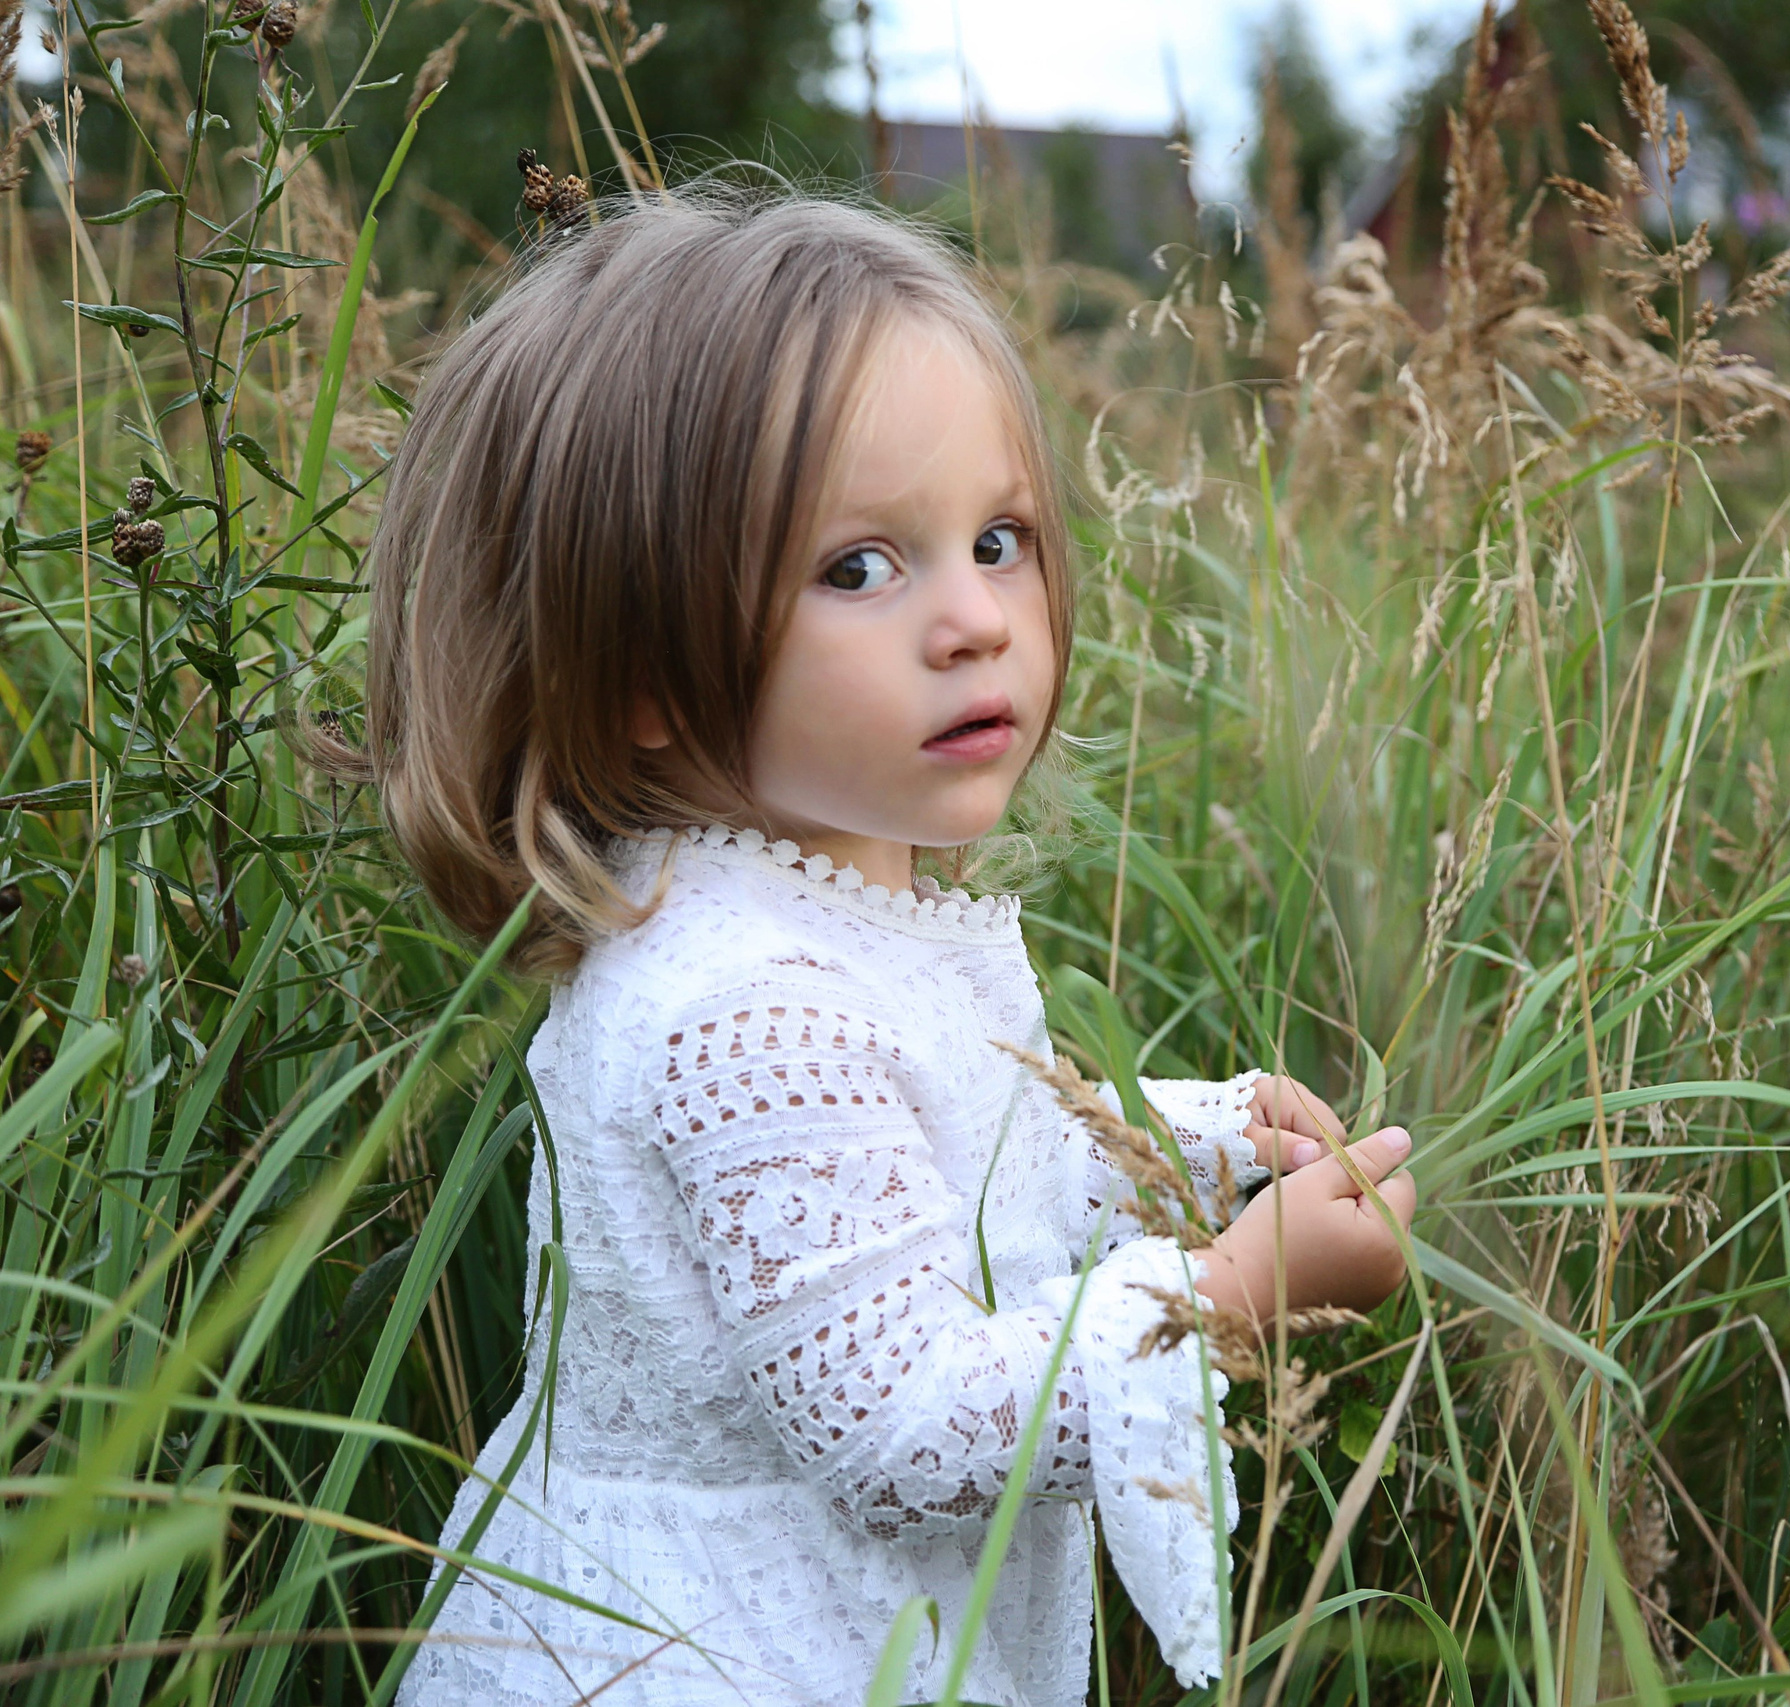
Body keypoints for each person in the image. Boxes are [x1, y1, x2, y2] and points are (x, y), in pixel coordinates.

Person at [359, 184, 1420, 1707]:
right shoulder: (746, 1008)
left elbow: (955, 1181)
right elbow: (904, 1429)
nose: (976, 619)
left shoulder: (818, 915)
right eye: (861, 568)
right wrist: (1231, 1292)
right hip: (728, 1659)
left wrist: (1199, 1147)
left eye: (998, 540)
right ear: (645, 668)